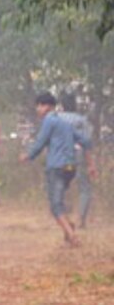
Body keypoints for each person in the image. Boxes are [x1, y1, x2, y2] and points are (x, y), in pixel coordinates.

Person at [20, 92, 95, 247]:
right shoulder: (65, 123)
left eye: (39, 106)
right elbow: (86, 142)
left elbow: (41, 142)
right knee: (59, 201)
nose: (38, 110)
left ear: (46, 106)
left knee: (55, 205)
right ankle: (69, 228)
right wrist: (91, 165)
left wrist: (28, 156)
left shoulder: (49, 120)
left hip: (56, 167)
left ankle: (72, 236)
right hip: (70, 167)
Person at [58, 93, 95, 228]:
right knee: (84, 188)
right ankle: (81, 219)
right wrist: (91, 164)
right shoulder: (82, 120)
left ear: (62, 106)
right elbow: (86, 143)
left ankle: (63, 217)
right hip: (78, 156)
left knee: (62, 186)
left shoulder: (57, 119)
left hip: (62, 157)